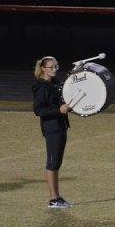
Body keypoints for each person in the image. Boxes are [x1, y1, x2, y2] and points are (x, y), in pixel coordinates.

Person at [31, 56, 71, 209]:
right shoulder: (40, 86)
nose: (55, 69)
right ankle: (53, 200)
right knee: (52, 162)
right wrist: (59, 110)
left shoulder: (55, 83)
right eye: (51, 67)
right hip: (51, 127)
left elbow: (60, 101)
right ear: (43, 69)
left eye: (56, 66)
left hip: (61, 125)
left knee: (57, 162)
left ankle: (57, 197)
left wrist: (66, 106)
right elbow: (39, 110)